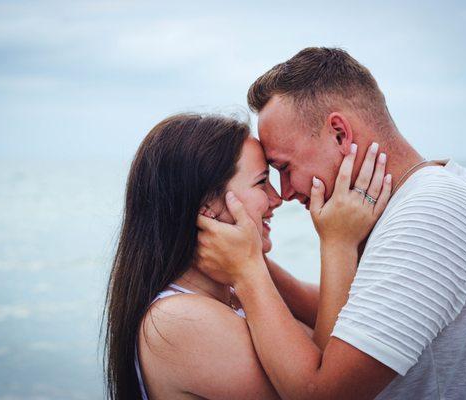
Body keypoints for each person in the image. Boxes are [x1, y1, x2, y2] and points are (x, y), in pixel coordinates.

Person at [196, 47, 466, 399]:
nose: (285, 192)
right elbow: (352, 311)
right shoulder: (424, 197)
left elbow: (325, 394)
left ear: (338, 133)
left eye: (285, 168)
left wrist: (247, 273)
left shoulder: (431, 213)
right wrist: (245, 254)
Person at [102, 112, 391, 399]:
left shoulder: (234, 286)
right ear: (207, 207)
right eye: (261, 181)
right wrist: (338, 244)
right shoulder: (178, 320)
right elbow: (329, 384)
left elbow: (348, 318)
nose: (277, 198)